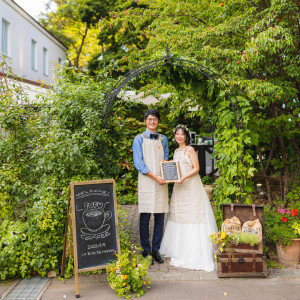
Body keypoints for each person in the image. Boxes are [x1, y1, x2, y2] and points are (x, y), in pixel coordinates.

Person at [160, 125, 218, 271]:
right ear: (175, 136)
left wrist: (184, 178)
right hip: (179, 188)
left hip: (191, 186)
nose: (179, 136)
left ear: (186, 136)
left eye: (182, 134)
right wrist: (171, 177)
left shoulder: (190, 150)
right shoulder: (175, 151)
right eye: (177, 134)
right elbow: (174, 169)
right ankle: (179, 249)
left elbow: (196, 168)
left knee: (193, 215)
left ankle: (194, 252)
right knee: (179, 215)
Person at [132, 109, 169, 264]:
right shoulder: (138, 139)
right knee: (145, 216)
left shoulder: (163, 139)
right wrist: (155, 177)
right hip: (147, 180)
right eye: (149, 119)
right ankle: (146, 250)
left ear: (158, 121)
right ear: (145, 121)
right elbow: (139, 163)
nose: (152, 122)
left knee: (160, 216)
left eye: (155, 119)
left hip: (161, 181)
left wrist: (167, 174)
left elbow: (166, 158)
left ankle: (156, 250)